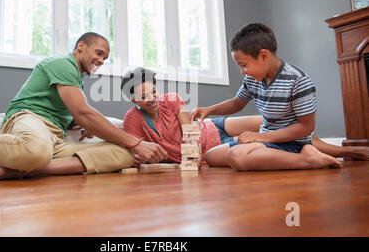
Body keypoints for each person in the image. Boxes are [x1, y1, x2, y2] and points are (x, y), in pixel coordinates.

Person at [0, 32, 167, 181]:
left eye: (105, 58)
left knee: (122, 154)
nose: (101, 61)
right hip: (28, 119)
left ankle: (21, 170)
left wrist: (78, 122)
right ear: (81, 45)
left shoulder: (76, 79)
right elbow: (83, 110)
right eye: (99, 53)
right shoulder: (61, 64)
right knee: (37, 150)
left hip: (54, 138)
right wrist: (135, 141)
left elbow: (74, 113)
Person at [191, 23, 369, 171]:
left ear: (263, 55)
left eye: (243, 65)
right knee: (210, 156)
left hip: (293, 142)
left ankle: (308, 160)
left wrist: (263, 138)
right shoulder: (252, 80)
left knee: (236, 156)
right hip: (270, 140)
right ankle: (299, 155)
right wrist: (209, 110)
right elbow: (237, 104)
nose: (242, 71)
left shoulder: (298, 81)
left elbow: (306, 127)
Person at [120, 67, 368, 167]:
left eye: (153, 90)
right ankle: (317, 154)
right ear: (133, 100)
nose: (152, 97)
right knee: (265, 140)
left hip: (211, 128)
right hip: (214, 148)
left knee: (272, 123)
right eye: (144, 95)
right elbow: (136, 151)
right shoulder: (133, 118)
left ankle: (346, 151)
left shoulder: (172, 99)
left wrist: (190, 155)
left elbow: (190, 132)